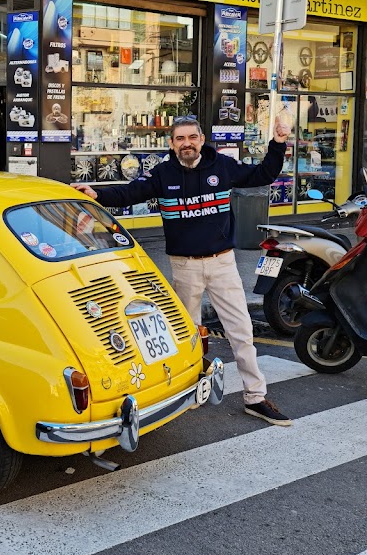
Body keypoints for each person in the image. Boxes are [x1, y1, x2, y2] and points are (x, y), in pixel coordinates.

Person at [72, 114, 292, 426]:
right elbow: (129, 194)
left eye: (191, 137)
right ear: (172, 144)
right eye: (179, 139)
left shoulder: (222, 167)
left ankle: (255, 397)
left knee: (241, 332)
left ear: (201, 139)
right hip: (184, 266)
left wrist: (278, 143)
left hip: (222, 263)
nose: (186, 144)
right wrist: (97, 193)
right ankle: (187, 392)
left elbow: (263, 174)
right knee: (187, 335)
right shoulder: (163, 174)